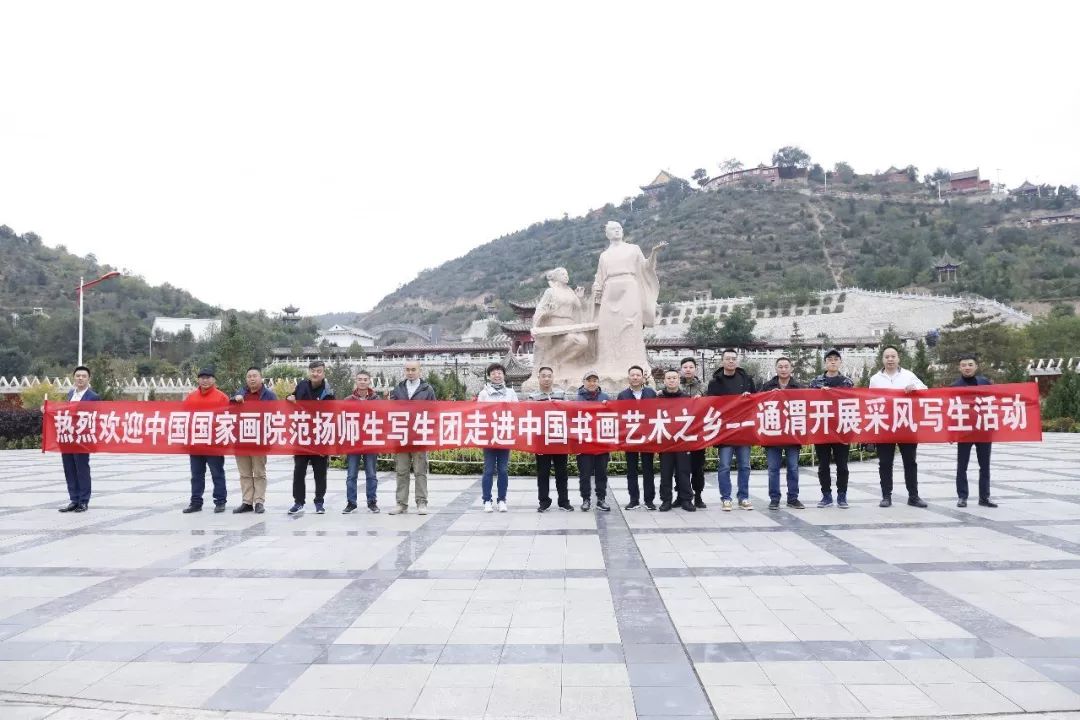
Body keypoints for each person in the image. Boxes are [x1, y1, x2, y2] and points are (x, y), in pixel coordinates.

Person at [591, 221, 665, 380]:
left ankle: (635, 364)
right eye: (613, 229)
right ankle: (609, 364)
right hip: (610, 289)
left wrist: (653, 253)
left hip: (629, 287)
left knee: (631, 325)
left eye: (619, 228)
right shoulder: (604, 255)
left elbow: (646, 267)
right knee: (608, 327)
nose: (617, 231)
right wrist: (596, 289)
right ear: (607, 234)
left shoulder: (633, 249)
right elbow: (599, 277)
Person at [869, 345, 928, 508]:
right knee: (885, 463)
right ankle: (886, 496)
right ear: (882, 359)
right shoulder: (875, 379)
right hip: (885, 426)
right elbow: (869, 401)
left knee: (910, 462)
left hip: (906, 425)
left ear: (898, 358)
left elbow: (926, 389)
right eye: (887, 356)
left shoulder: (909, 375)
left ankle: (913, 496)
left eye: (893, 356)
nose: (890, 359)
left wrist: (914, 387)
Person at [707, 349, 757, 511]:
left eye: (733, 359)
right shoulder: (715, 382)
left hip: (743, 429)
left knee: (744, 466)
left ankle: (743, 497)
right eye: (727, 359)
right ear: (722, 361)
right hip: (725, 430)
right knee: (724, 466)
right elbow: (710, 405)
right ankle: (726, 498)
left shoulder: (747, 379)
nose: (731, 361)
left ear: (737, 361)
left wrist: (749, 397)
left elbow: (756, 401)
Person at [286, 361, 335, 515]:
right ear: (309, 372)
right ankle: (298, 502)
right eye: (313, 371)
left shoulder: (329, 391)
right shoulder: (301, 386)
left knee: (320, 472)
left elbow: (331, 414)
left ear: (324, 373)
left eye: (319, 371)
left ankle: (319, 502)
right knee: (299, 471)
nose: (315, 374)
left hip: (320, 437)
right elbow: (291, 399)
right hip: (301, 436)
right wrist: (289, 398)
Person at [388, 361, 437, 515]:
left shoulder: (427, 389)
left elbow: (434, 411)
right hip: (401, 435)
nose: (410, 372)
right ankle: (401, 503)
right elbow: (391, 410)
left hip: (419, 435)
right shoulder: (399, 388)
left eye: (413, 370)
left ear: (419, 371)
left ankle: (421, 502)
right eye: (408, 370)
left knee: (420, 471)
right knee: (401, 471)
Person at [809, 349, 855, 509]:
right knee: (823, 465)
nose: (833, 362)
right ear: (825, 362)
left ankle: (842, 495)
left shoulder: (847, 382)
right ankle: (826, 495)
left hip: (842, 429)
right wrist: (819, 394)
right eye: (829, 359)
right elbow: (808, 403)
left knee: (842, 465)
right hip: (821, 428)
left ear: (840, 362)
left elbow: (853, 403)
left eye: (836, 359)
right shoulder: (816, 382)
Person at [952, 354, 998, 508]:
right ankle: (962, 497)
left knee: (985, 466)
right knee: (962, 466)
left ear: (976, 366)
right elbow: (949, 411)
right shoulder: (955, 386)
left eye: (970, 364)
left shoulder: (985, 383)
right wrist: (951, 432)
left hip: (984, 430)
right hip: (964, 431)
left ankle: (984, 497)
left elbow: (995, 404)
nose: (967, 367)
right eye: (964, 365)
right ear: (959, 367)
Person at [183, 367, 230, 513]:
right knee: (196, 475)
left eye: (208, 377)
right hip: (196, 444)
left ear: (214, 379)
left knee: (217, 473)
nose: (205, 380)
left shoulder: (221, 397)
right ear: (198, 379)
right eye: (202, 377)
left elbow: (227, 420)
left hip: (214, 444)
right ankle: (196, 502)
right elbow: (185, 418)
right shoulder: (191, 397)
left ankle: (220, 501)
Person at [761, 358, 806, 510]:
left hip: (792, 435)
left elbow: (807, 406)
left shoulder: (798, 387)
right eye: (780, 366)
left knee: (793, 468)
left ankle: (793, 498)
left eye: (786, 366)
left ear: (791, 368)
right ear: (776, 369)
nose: (783, 369)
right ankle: (774, 498)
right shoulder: (767, 387)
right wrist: (769, 396)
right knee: (773, 469)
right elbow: (757, 405)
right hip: (773, 435)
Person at [231, 366, 276, 514]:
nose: (252, 378)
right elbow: (229, 413)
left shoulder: (269, 395)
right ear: (246, 379)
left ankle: (259, 501)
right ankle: (247, 501)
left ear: (261, 378)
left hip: (259, 440)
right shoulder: (240, 393)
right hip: (241, 441)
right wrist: (234, 400)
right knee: (244, 473)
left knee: (259, 473)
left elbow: (275, 416)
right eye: (249, 376)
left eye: (254, 376)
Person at [528, 366, 572, 512]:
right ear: (539, 378)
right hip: (541, 440)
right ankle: (544, 501)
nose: (546, 379)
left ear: (553, 378)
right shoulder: (532, 397)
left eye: (549, 376)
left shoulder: (562, 394)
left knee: (562, 472)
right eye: (543, 376)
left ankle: (564, 501)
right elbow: (529, 416)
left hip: (559, 438)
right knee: (543, 472)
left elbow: (570, 412)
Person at [477, 362, 519, 512]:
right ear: (489, 376)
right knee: (488, 469)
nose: (497, 375)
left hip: (504, 435)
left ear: (504, 375)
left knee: (503, 469)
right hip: (488, 436)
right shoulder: (484, 394)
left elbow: (517, 412)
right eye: (493, 373)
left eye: (499, 372)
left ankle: (502, 499)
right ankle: (486, 500)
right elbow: (478, 413)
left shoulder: (511, 393)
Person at [58, 365, 100, 513]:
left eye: (83, 376)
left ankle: (83, 501)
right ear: (74, 378)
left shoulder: (93, 396)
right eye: (78, 376)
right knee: (69, 469)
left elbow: (96, 418)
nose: (80, 378)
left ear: (88, 379)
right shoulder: (70, 394)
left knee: (82, 469)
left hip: (83, 439)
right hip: (68, 438)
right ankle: (74, 499)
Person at [617, 365, 657, 510]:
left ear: (642, 377)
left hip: (647, 438)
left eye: (637, 375)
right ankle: (634, 499)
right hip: (630, 438)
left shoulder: (651, 393)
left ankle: (649, 500)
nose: (635, 377)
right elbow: (619, 416)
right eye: (632, 375)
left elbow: (657, 413)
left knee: (648, 470)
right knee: (631, 470)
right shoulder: (623, 395)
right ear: (628, 377)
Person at [344, 370, 381, 514]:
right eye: (360, 379)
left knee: (371, 474)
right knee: (351, 474)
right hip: (353, 442)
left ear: (369, 381)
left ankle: (372, 502)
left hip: (371, 442)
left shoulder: (377, 400)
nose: (362, 381)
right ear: (356, 381)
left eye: (365, 379)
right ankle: (351, 502)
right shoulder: (348, 400)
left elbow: (382, 420)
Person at [657, 369, 695, 512]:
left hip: (682, 441)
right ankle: (666, 500)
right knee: (665, 473)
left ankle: (686, 499)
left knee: (684, 472)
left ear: (679, 380)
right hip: (665, 441)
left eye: (674, 378)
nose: (671, 380)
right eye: (669, 378)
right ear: (664, 381)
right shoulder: (658, 399)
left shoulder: (687, 398)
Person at [576, 371, 610, 511]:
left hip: (601, 442)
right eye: (589, 380)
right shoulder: (577, 398)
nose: (592, 383)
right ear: (584, 382)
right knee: (584, 474)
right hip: (584, 443)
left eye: (595, 380)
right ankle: (586, 499)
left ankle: (601, 499)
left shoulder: (605, 397)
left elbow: (612, 417)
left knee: (601, 473)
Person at [679, 357, 707, 508]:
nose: (688, 369)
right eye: (685, 367)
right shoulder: (675, 386)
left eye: (691, 367)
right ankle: (681, 495)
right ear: (681, 369)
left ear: (695, 369)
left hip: (698, 433)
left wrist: (702, 399)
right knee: (680, 468)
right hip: (680, 433)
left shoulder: (703, 387)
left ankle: (698, 496)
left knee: (697, 467)